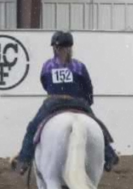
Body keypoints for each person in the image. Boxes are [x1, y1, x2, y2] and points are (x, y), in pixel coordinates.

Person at [10, 31, 119, 175]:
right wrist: (86, 103)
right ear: (70, 47)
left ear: (55, 48)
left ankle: (24, 160)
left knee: (32, 128)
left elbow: (45, 83)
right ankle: (109, 155)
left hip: (53, 102)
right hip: (77, 102)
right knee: (98, 127)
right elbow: (88, 87)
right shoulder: (79, 66)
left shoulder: (48, 66)